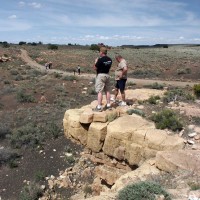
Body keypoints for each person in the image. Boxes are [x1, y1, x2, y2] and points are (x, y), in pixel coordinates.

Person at [93, 47, 112, 111]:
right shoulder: (110, 59)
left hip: (101, 75)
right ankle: (108, 105)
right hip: (107, 75)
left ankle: (99, 107)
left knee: (100, 91)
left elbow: (95, 68)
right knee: (107, 90)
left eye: (99, 52)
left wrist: (96, 62)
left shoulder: (100, 60)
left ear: (101, 52)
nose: (99, 53)